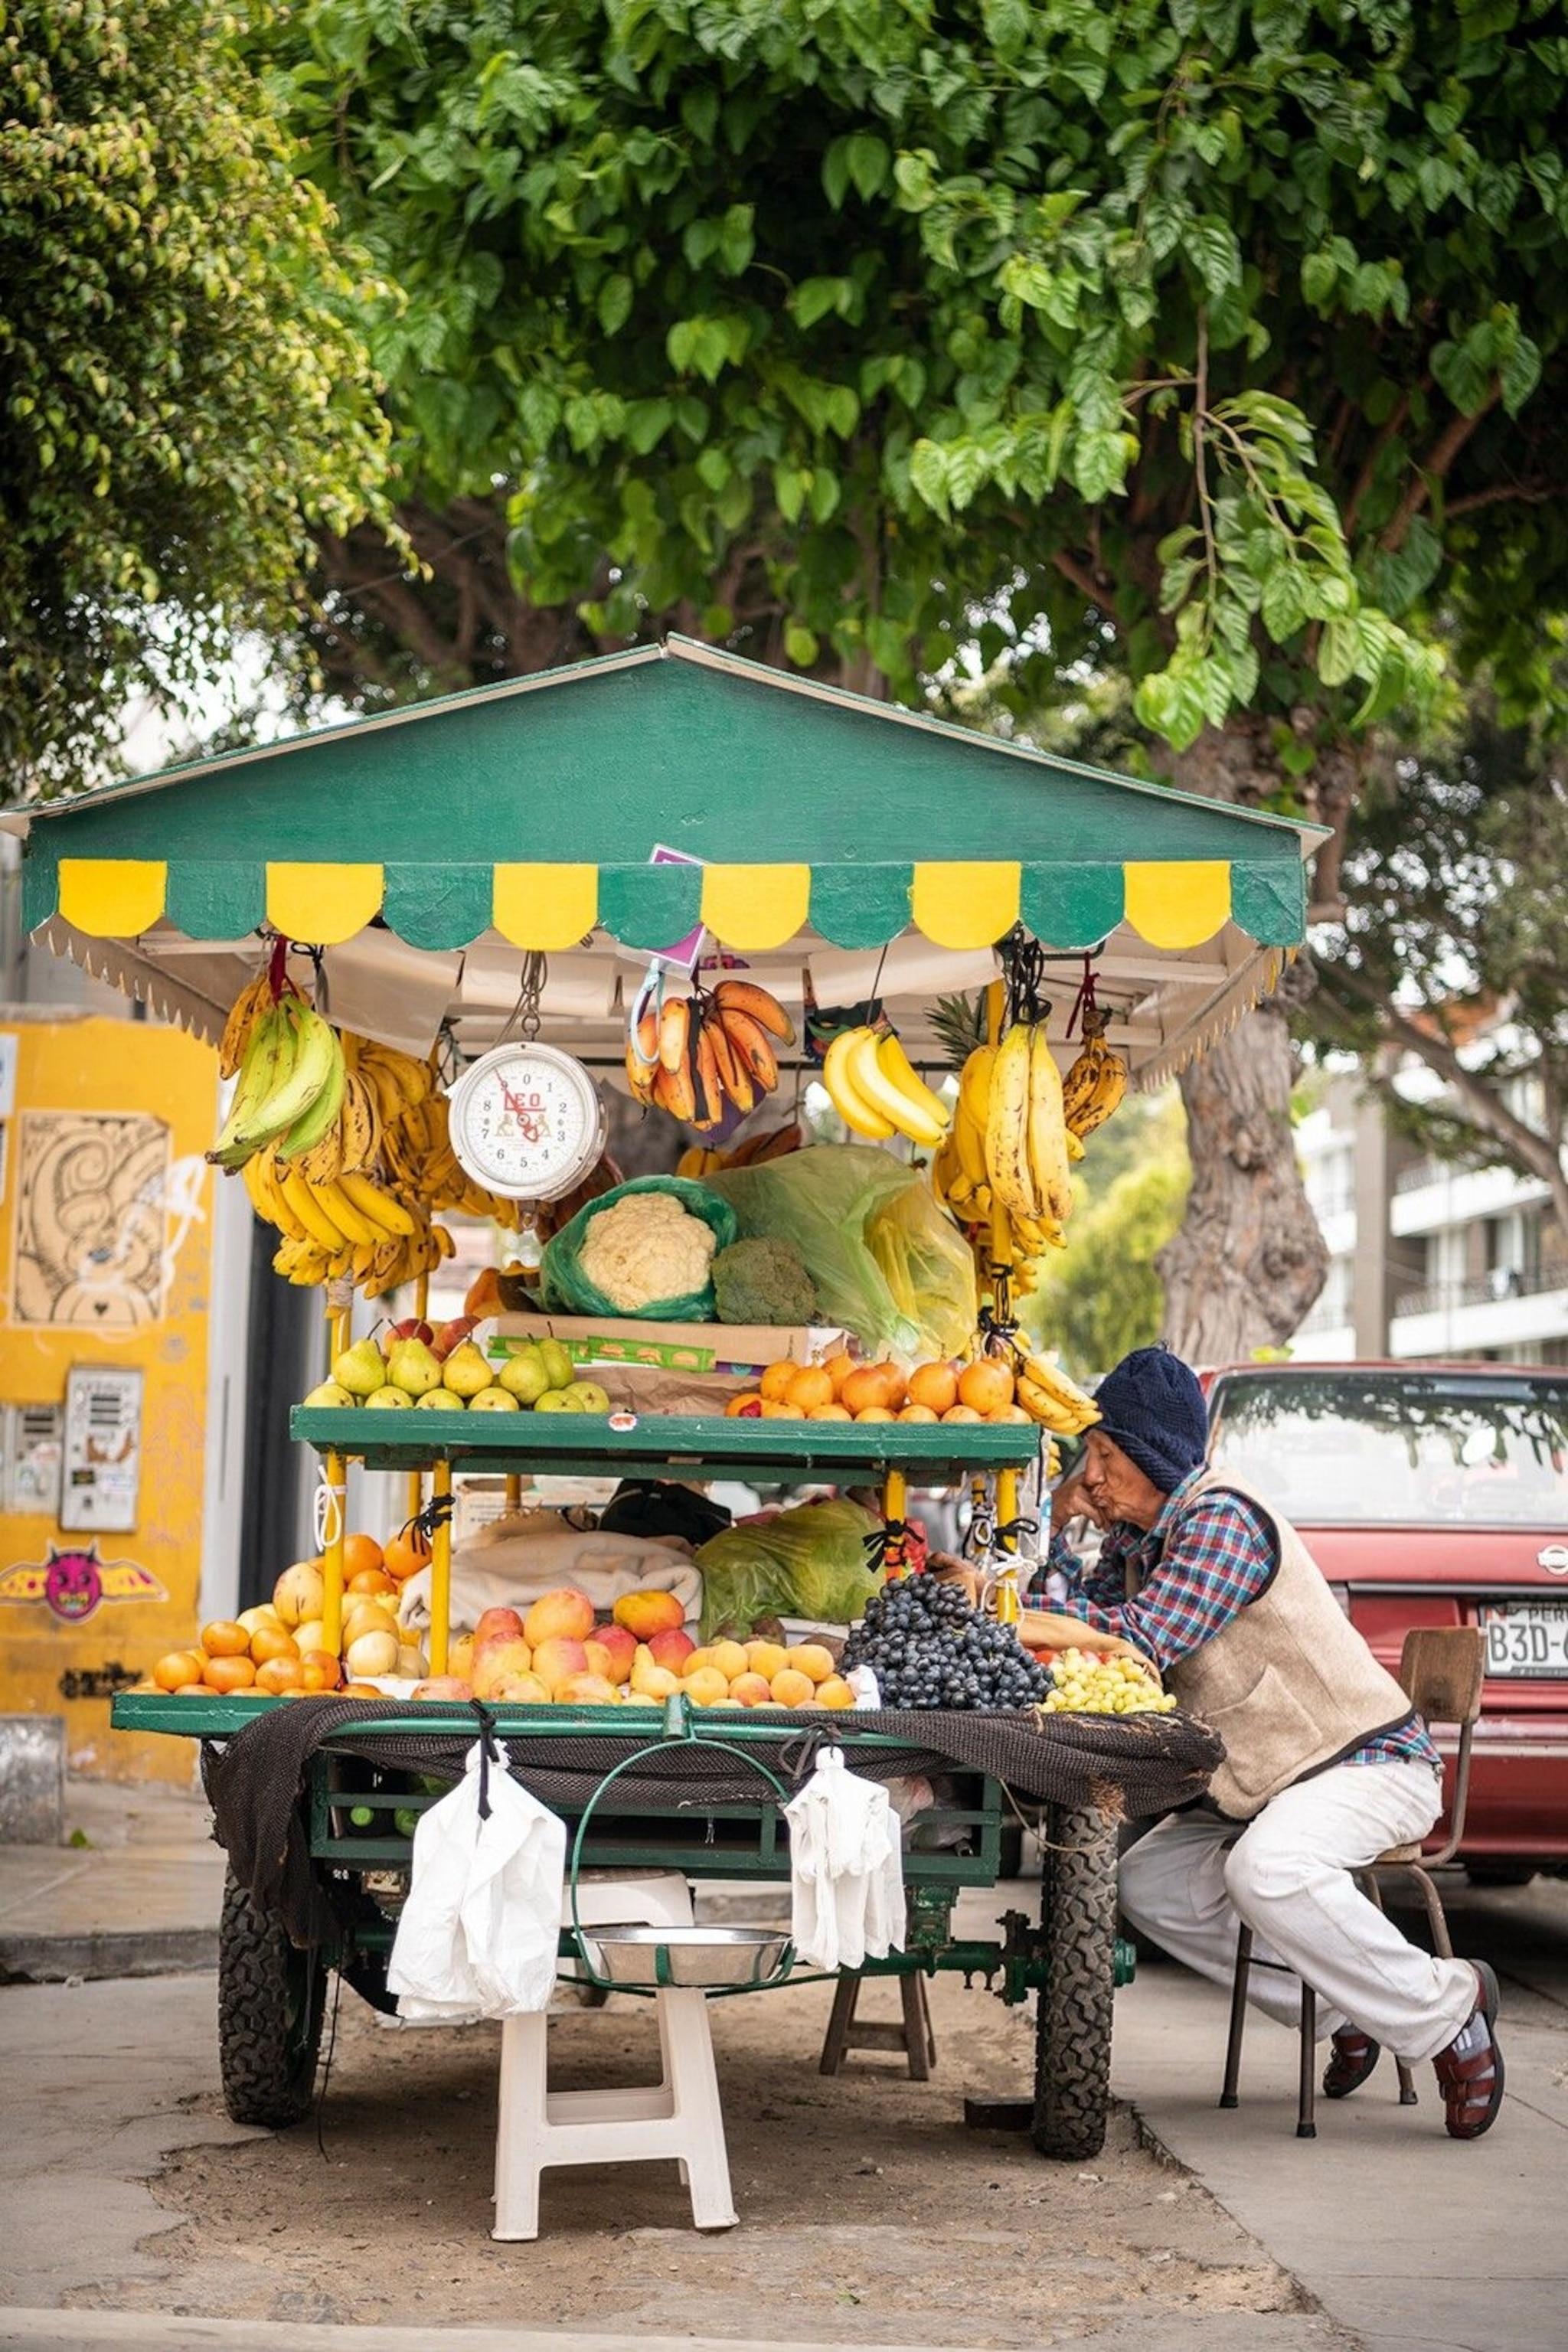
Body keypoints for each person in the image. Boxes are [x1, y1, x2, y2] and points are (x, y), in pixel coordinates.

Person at [1047, 1344, 1504, 2140]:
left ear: (1151, 1455)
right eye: (1089, 1455)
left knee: (1268, 1871)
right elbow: (1066, 1630)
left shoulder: (1222, 1521)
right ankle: (1345, 2007)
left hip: (1366, 1767)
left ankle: (1447, 2010)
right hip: (1270, 1785)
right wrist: (1058, 1534)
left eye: (1104, 1454)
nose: (1088, 1474)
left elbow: (1137, 1643)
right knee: (1143, 1886)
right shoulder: (1135, 1541)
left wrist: (1037, 1610)